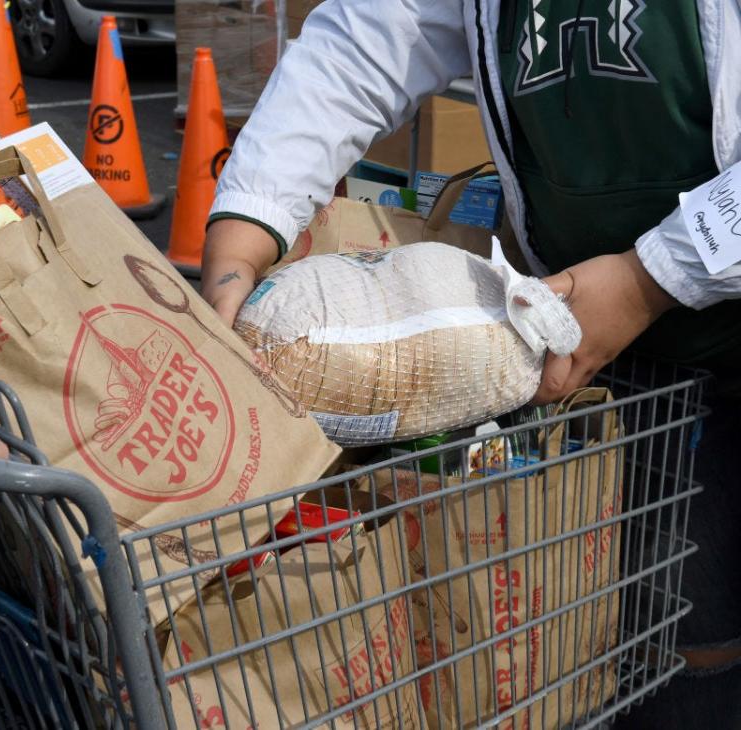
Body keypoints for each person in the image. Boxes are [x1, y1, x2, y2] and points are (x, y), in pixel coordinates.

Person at [199, 1, 741, 727]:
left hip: (707, 322)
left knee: (694, 621)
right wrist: (246, 229)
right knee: (635, 619)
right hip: (587, 332)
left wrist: (655, 277)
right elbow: (370, 41)